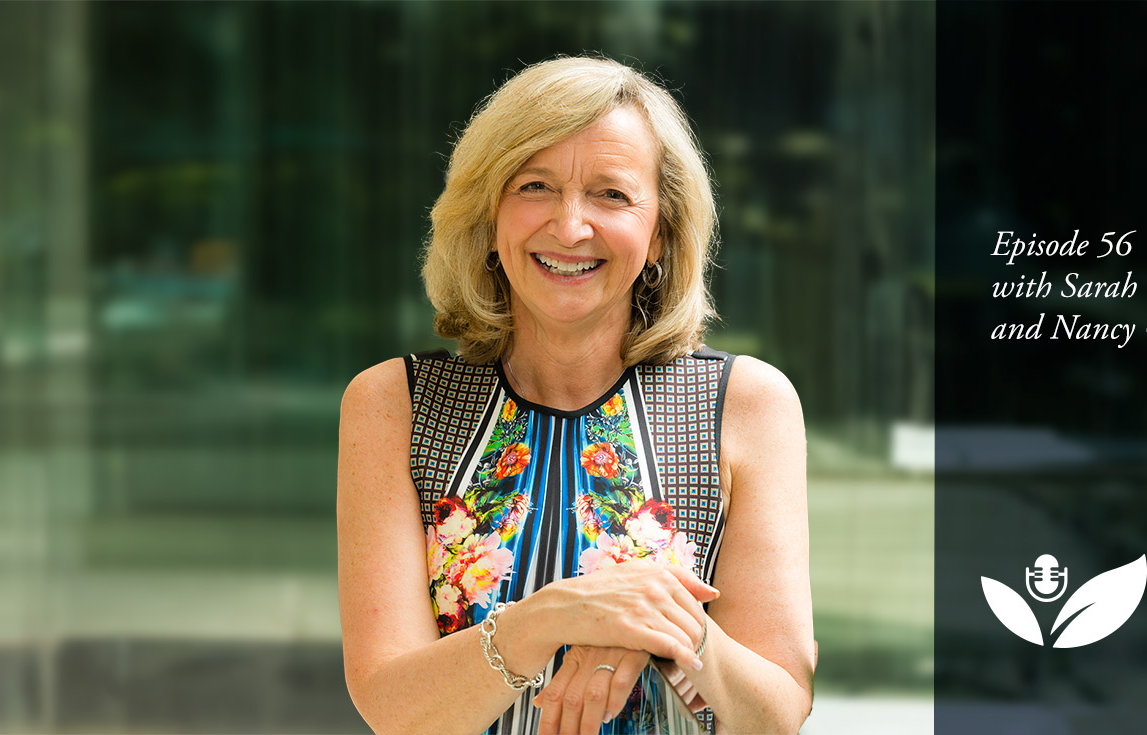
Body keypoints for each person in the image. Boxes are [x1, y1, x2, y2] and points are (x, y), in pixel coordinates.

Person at [336, 56, 813, 735]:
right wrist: (558, 615)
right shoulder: (395, 405)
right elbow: (394, 708)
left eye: (611, 195)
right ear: (488, 216)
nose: (569, 226)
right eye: (535, 185)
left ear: (660, 235)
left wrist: (658, 622)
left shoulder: (745, 404)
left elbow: (775, 714)